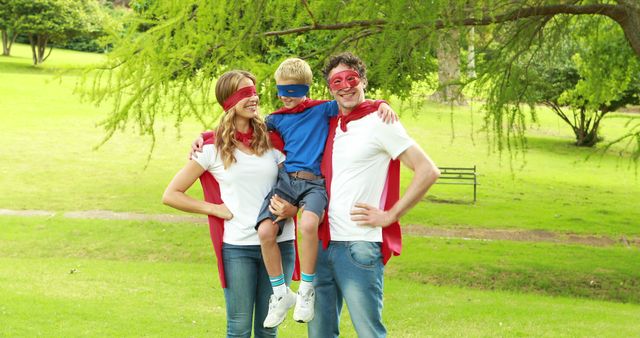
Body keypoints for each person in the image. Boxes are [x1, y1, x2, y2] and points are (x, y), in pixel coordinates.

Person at [191, 58, 398, 329]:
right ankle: (281, 293)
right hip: (285, 188)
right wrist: (206, 136)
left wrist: (381, 103)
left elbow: (352, 102)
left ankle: (306, 289)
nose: (288, 98)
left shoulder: (322, 111)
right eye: (283, 91)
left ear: (307, 88)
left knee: (308, 225)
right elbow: (240, 131)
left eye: (295, 91)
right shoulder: (275, 120)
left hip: (313, 185)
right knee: (264, 234)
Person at [306, 52, 441, 338]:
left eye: (351, 78)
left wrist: (391, 215)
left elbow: (427, 170)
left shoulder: (380, 122)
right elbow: (283, 120)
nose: (345, 86)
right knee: (319, 333)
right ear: (330, 89)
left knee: (369, 332)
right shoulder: (327, 122)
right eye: (337, 81)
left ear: (363, 80)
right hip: (321, 242)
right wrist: (207, 138)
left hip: (359, 245)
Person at [162, 70, 297, 338]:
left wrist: (294, 208)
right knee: (238, 328)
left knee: (268, 330)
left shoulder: (274, 139)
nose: (253, 98)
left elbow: (300, 180)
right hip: (239, 248)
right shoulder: (212, 148)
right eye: (244, 93)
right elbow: (172, 194)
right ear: (228, 101)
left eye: (254, 91)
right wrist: (214, 209)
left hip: (280, 244)